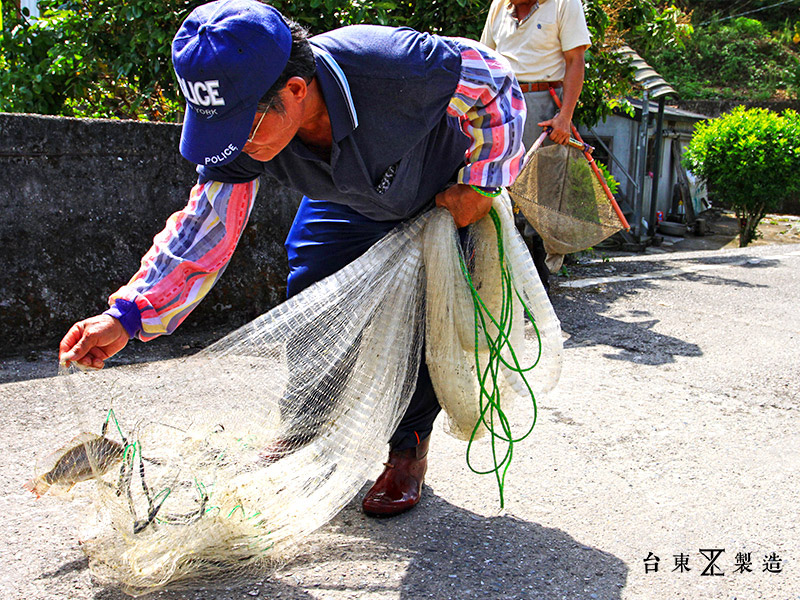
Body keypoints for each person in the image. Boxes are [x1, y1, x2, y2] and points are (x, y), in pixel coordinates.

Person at [59, 0, 526, 517]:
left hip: (436, 195)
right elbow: (204, 226)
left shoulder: (391, 65)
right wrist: (126, 315)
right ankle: (306, 430)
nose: (230, 145)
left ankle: (406, 450)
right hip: (344, 198)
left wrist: (482, 183)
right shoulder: (238, 137)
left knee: (424, 319)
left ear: (296, 91)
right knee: (310, 299)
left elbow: (496, 83)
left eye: (242, 125)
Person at [481, 0, 591, 277]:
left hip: (542, 103)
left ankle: (541, 284)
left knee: (539, 196)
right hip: (502, 102)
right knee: (498, 186)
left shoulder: (564, 4)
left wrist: (564, 117)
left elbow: (575, 60)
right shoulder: (499, 6)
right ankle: (503, 277)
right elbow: (485, 58)